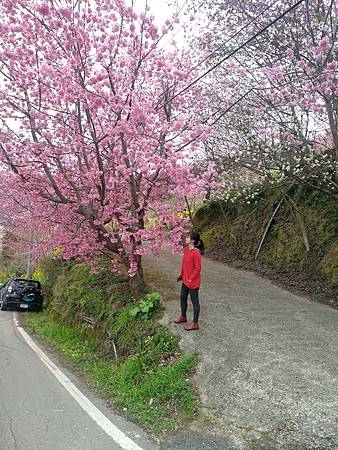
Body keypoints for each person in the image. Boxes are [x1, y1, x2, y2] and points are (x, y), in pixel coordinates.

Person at [175, 231, 204, 331]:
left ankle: (195, 323)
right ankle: (183, 316)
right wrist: (181, 274)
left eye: (188, 237)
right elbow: (184, 264)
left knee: (194, 301)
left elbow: (197, 268)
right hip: (185, 280)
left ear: (192, 240)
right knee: (183, 298)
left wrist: (191, 278)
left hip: (193, 282)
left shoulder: (196, 253)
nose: (186, 238)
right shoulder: (186, 249)